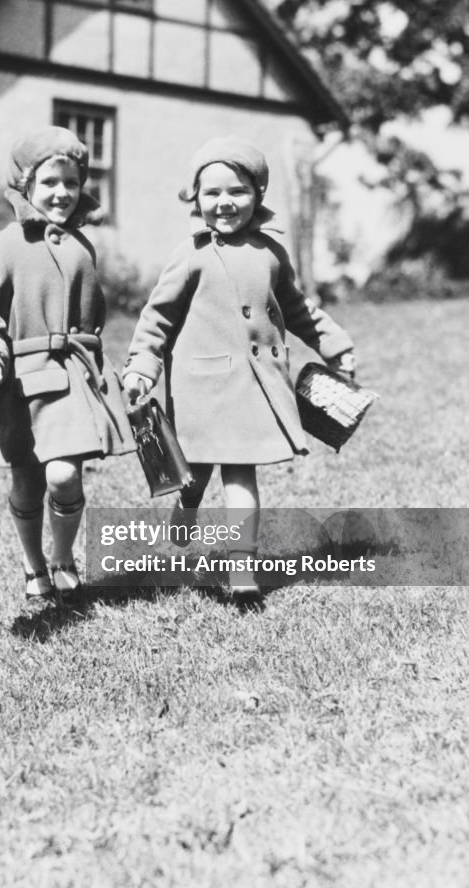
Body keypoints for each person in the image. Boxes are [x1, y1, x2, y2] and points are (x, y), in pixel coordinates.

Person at [122, 135, 355, 601]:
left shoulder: (271, 254)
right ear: (196, 198)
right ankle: (186, 510)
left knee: (240, 474)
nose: (225, 203)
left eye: (237, 191)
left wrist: (334, 346)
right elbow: (157, 317)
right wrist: (142, 365)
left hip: (254, 388)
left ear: (258, 195)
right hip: (200, 385)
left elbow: (298, 307)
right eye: (212, 193)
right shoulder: (191, 255)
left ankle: (241, 567)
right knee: (197, 472)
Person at [0, 126, 135, 605]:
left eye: (72, 183)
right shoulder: (4, 246)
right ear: (25, 186)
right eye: (50, 183)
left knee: (63, 474)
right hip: (20, 381)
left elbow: (93, 315)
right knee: (27, 478)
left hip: (73, 380)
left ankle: (62, 557)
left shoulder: (83, 246)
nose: (62, 193)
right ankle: (31, 560)